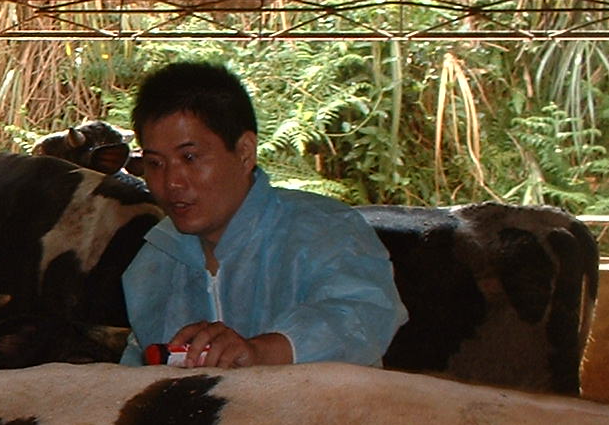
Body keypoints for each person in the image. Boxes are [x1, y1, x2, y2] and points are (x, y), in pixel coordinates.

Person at [119, 61, 406, 368]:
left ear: (245, 152)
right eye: (155, 164)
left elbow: (364, 316)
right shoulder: (154, 263)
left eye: (190, 157)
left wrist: (260, 352)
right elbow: (138, 365)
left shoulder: (326, 231)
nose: (172, 182)